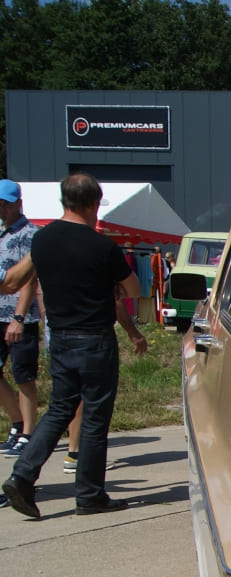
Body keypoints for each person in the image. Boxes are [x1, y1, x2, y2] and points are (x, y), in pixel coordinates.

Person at [1, 173, 147, 518]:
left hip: (61, 338)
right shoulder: (103, 246)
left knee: (58, 409)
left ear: (64, 201)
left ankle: (22, 476)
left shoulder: (43, 240)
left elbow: (11, 282)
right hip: (95, 340)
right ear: (93, 203)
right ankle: (90, 494)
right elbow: (134, 289)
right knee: (95, 416)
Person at [0, 180, 42, 468]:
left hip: (20, 317)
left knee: (23, 375)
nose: (0, 207)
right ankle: (16, 422)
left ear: (18, 202)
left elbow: (30, 279)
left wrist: (19, 316)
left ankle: (29, 431)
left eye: (4, 202)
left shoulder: (31, 235)